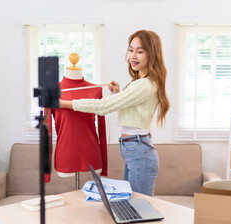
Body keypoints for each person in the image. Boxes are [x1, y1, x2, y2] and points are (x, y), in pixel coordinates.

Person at [59, 30, 170, 196]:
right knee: (133, 204)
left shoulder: (143, 85)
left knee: (139, 208)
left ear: (152, 54)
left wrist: (62, 103)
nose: (133, 56)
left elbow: (103, 107)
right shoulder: (141, 83)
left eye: (140, 51)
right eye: (131, 50)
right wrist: (117, 93)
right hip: (134, 147)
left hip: (138, 148)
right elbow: (129, 110)